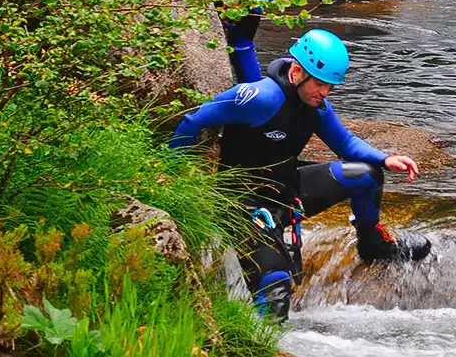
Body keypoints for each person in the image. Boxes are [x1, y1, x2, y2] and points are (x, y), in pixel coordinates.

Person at [169, 29, 432, 321]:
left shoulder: (315, 106)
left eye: (330, 86)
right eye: (320, 84)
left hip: (286, 189)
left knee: (367, 175)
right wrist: (172, 174)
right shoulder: (259, 98)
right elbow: (194, 120)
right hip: (242, 204)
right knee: (275, 286)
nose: (325, 93)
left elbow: (345, 143)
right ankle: (259, 339)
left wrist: (386, 158)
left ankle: (372, 244)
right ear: (297, 71)